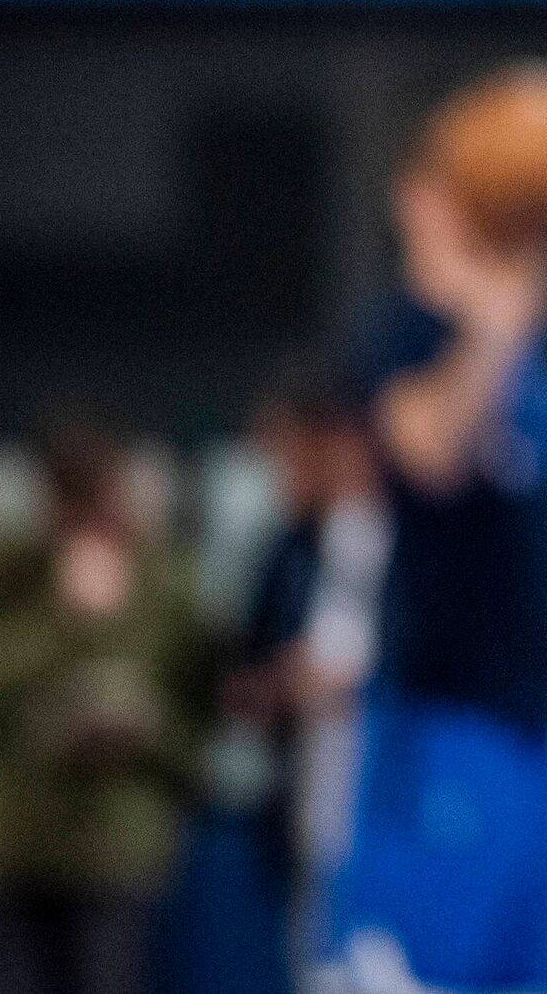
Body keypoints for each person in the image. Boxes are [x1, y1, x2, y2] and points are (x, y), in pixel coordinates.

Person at [317, 64, 547, 994]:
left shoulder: (543, 340)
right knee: (413, 975)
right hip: (439, 716)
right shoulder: (405, 331)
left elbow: (537, 500)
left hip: (529, 723)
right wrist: (490, 324)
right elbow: (428, 453)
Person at [0, 413, 216, 994]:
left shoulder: (166, 580)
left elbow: (203, 716)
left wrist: (143, 731)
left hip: (114, 850)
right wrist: (64, 619)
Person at [229, 360, 388, 964]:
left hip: (401, 817)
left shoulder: (407, 541)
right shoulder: (287, 551)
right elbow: (248, 680)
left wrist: (357, 679)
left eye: (285, 452)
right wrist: (281, 686)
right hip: (310, 821)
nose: (276, 472)